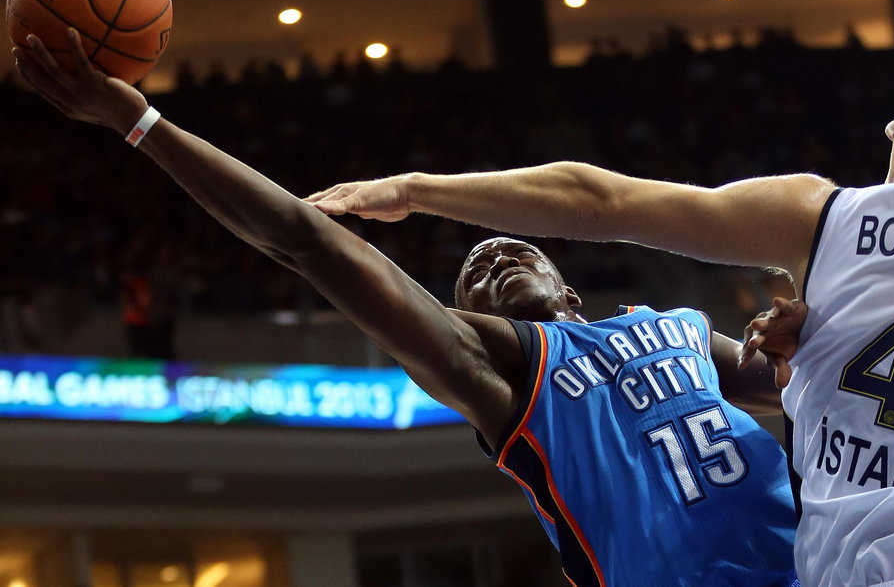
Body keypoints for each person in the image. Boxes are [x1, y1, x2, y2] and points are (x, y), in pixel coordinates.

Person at [305, 41, 894, 587]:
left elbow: (597, 199)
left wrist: (414, 190)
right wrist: (808, 354)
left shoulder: (828, 217)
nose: (890, 129)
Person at [12, 29, 802, 587]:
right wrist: (137, 121)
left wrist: (795, 337)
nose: (487, 252)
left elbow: (791, 382)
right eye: (470, 275)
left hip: (816, 561)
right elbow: (309, 243)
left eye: (506, 249)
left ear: (570, 289)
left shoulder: (678, 327)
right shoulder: (508, 380)